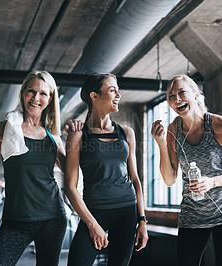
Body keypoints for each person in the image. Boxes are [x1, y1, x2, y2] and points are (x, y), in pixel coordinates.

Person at [0, 70, 83, 266]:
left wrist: (75, 139)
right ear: (23, 93)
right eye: (31, 91)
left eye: (43, 93)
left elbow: (71, 172)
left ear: (49, 99)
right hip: (16, 221)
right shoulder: (4, 129)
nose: (36, 98)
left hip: (52, 217)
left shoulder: (52, 136)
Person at [151, 74, 222, 266]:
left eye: (182, 93)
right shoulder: (173, 131)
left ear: (196, 95)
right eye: (171, 96)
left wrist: (212, 181)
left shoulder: (221, 125)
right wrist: (161, 145)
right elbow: (169, 179)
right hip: (192, 215)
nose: (176, 99)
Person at [65, 73, 149, 266]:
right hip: (94, 212)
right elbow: (70, 187)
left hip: (126, 212)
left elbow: (135, 179)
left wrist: (142, 220)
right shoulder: (78, 135)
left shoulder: (126, 132)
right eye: (112, 90)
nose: (118, 95)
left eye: (118, 90)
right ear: (94, 96)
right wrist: (92, 224)